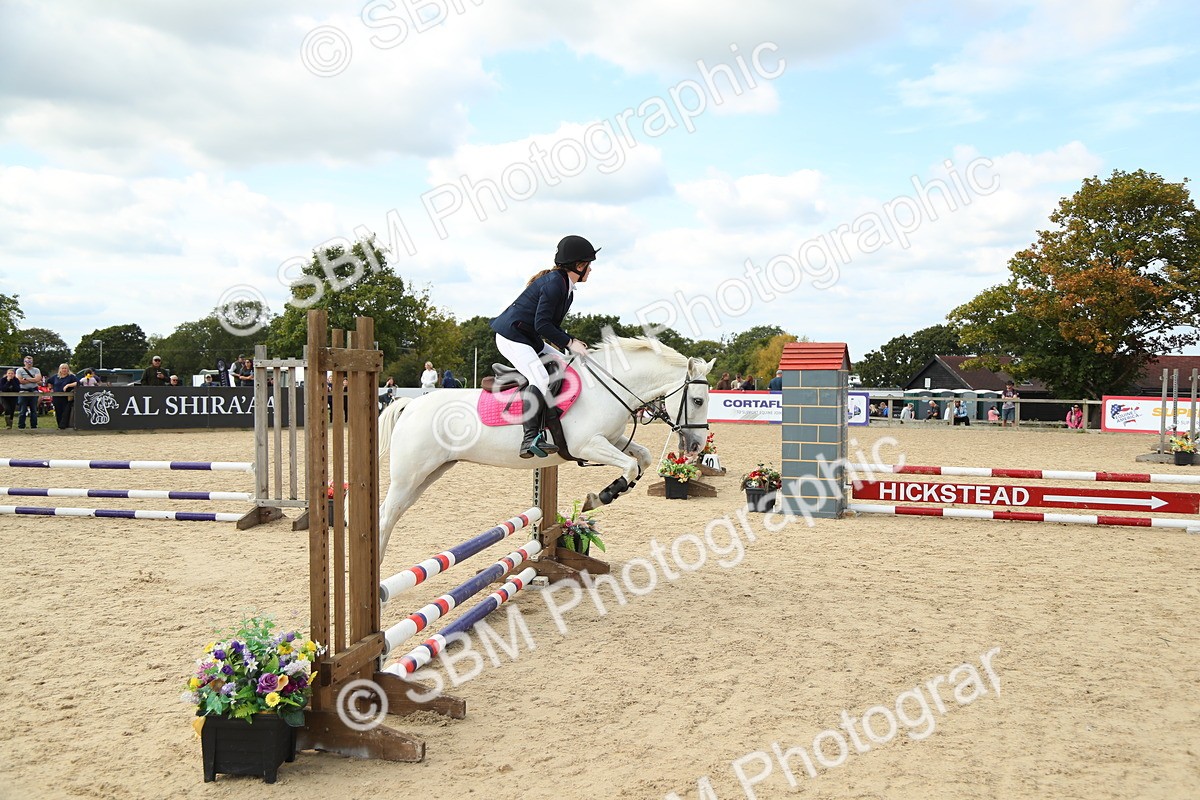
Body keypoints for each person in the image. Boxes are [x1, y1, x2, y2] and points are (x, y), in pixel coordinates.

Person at [490, 234, 597, 458]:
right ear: (578, 265)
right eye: (589, 265)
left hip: (529, 339)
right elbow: (542, 324)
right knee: (540, 377)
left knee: (566, 364)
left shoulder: (566, 287)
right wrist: (570, 342)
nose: (591, 270)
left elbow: (546, 327)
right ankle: (529, 438)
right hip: (512, 337)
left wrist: (570, 346)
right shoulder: (554, 285)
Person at [15, 355, 41, 429]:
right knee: (22, 411)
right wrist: (33, 379)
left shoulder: (36, 370)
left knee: (34, 411)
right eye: (27, 361)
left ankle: (34, 426)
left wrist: (26, 379)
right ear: (24, 362)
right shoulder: (19, 370)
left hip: (34, 391)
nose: (29, 363)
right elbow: (19, 381)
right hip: (23, 392)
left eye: (30, 362)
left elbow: (38, 379)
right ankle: (21, 426)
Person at [49, 363, 78, 429]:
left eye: (65, 368)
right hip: (56, 397)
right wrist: (50, 388)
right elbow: (49, 381)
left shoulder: (71, 376)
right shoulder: (55, 377)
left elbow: (77, 382)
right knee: (58, 412)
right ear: (60, 369)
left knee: (65, 412)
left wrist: (68, 385)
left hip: (67, 398)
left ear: (68, 369)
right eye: (63, 368)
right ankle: (59, 426)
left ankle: (64, 426)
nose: (64, 370)